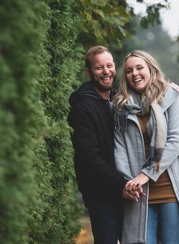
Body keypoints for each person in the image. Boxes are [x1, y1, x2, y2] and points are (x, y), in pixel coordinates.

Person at [112, 50, 179, 243]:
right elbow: (119, 150)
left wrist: (145, 174)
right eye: (129, 70)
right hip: (140, 195)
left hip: (172, 190)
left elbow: (176, 141)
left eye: (139, 68)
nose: (134, 73)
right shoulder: (120, 108)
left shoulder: (172, 97)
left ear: (151, 69)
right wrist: (128, 183)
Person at [67, 45, 141, 244]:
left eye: (109, 65)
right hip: (102, 195)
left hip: (128, 189)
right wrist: (121, 184)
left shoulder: (120, 100)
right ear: (88, 72)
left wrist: (173, 89)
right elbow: (88, 157)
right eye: (99, 68)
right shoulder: (83, 107)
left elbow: (151, 91)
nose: (106, 71)